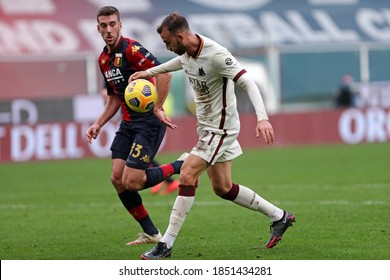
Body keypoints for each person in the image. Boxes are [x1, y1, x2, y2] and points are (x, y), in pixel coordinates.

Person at [130, 12, 296, 259]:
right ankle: (280, 217)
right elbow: (178, 64)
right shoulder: (186, 54)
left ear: (179, 36)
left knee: (186, 175)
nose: (166, 47)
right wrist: (148, 73)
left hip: (221, 129)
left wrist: (263, 118)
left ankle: (165, 244)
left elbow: (247, 82)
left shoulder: (217, 55)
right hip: (208, 128)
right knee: (223, 187)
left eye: (167, 42)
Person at [86, 6, 187, 246]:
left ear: (120, 25)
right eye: (104, 25)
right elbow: (113, 97)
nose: (108, 30)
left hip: (148, 123)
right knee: (117, 179)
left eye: (112, 24)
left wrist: (158, 107)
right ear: (98, 28)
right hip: (128, 123)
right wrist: (98, 123)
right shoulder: (104, 59)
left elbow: (165, 75)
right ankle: (151, 233)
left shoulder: (132, 49)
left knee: (132, 181)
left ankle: (179, 165)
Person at [101, 85, 179, 195]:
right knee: (134, 156)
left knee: (136, 157)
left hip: (148, 116)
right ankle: (167, 181)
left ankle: (160, 177)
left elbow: (108, 94)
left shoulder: (141, 76)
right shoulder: (108, 71)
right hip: (131, 118)